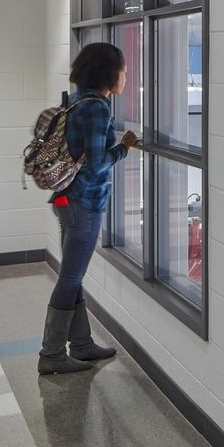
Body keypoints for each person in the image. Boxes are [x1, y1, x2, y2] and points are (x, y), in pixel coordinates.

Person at [39, 42, 139, 375]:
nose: (126, 75)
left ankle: (81, 345)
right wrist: (123, 148)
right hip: (84, 204)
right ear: (110, 72)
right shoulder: (97, 108)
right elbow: (97, 164)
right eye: (123, 69)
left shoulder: (76, 99)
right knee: (70, 277)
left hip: (67, 199)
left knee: (73, 273)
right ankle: (51, 355)